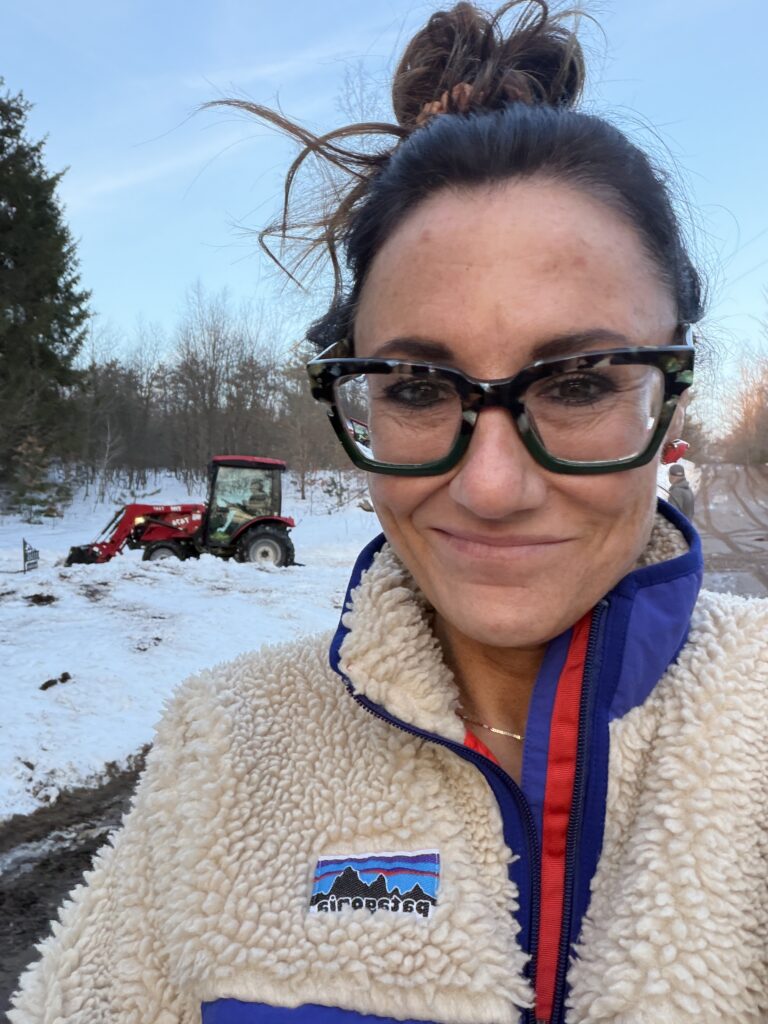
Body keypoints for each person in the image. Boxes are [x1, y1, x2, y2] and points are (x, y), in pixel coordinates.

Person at [10, 4, 767, 1024]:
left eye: (580, 383)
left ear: (669, 401)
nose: (490, 486)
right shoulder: (226, 744)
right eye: (416, 387)